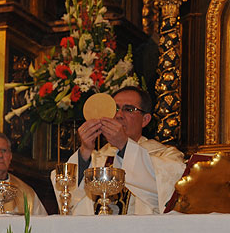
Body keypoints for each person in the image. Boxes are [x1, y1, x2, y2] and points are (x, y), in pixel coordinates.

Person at [54, 86, 185, 215]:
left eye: (129, 109)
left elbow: (168, 188)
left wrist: (124, 146)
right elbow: (70, 196)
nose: (119, 115)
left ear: (145, 120)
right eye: (115, 108)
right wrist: (85, 150)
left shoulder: (165, 155)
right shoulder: (96, 157)